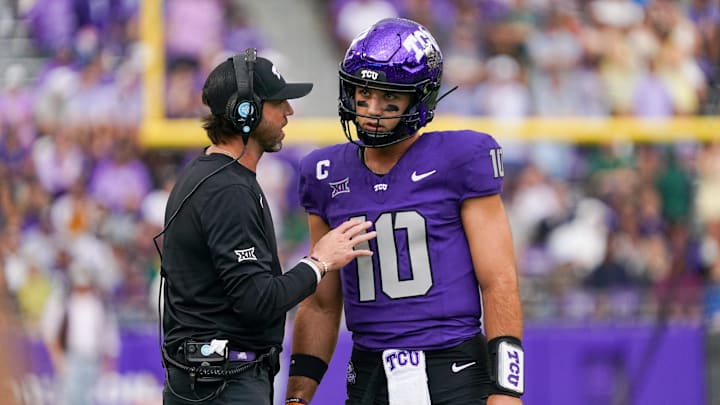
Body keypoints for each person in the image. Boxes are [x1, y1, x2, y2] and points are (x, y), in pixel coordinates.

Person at [285, 18, 525, 405]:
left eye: (389, 98)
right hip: (368, 374)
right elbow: (321, 302)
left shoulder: (461, 157)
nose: (372, 110)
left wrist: (508, 389)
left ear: (420, 100)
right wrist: (298, 396)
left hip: (453, 369)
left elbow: (499, 280)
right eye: (363, 94)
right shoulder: (324, 172)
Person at [157, 48, 377, 404]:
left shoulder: (210, 176)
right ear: (246, 111)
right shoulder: (227, 188)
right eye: (278, 103)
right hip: (223, 385)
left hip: (209, 379)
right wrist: (319, 262)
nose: (289, 112)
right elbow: (257, 300)